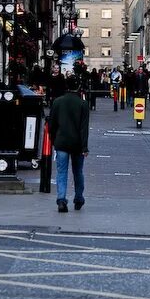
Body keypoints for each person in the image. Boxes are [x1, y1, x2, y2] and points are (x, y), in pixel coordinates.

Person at [48, 75, 90, 213]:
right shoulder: (83, 104)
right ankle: (78, 198)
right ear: (78, 87)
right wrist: (84, 147)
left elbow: (52, 124)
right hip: (77, 143)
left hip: (61, 142)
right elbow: (84, 128)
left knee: (61, 172)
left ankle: (61, 199)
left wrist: (54, 140)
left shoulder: (57, 102)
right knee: (78, 172)